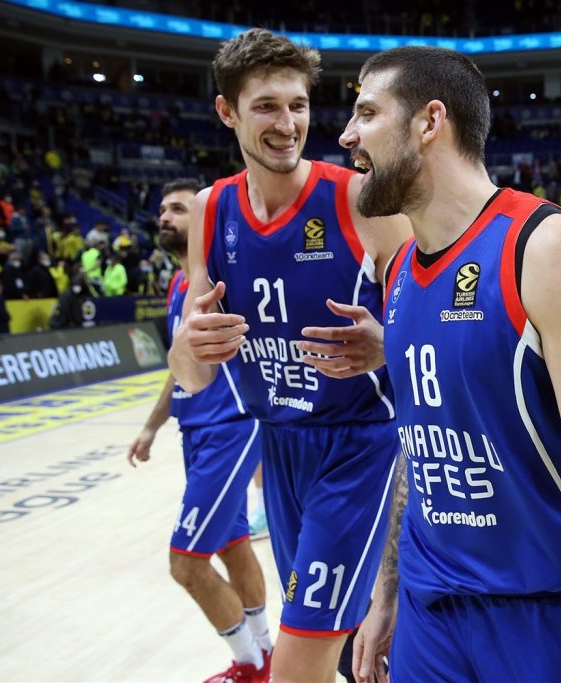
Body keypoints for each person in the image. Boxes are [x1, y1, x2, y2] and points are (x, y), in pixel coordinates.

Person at [327, 46, 561, 682]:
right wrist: (387, 592)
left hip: (543, 616)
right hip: (428, 610)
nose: (346, 136)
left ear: (429, 122)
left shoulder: (551, 248)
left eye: (367, 113)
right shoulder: (395, 272)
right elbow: (415, 448)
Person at [167, 29, 411, 683]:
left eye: (298, 104)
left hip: (362, 446)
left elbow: (442, 335)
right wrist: (187, 347)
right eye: (266, 106)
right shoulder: (212, 209)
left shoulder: (361, 199)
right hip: (279, 449)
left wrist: (390, 344)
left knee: (299, 656)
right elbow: (192, 375)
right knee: (348, 651)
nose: (288, 123)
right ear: (227, 112)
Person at [128, 178, 272, 682]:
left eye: (178, 209)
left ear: (204, 219)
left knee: (185, 564)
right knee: (232, 545)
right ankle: (265, 655)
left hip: (230, 427)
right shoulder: (177, 286)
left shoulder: (224, 279)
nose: (165, 217)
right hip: (196, 430)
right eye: (162, 209)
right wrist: (151, 427)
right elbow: (179, 364)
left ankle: (249, 665)